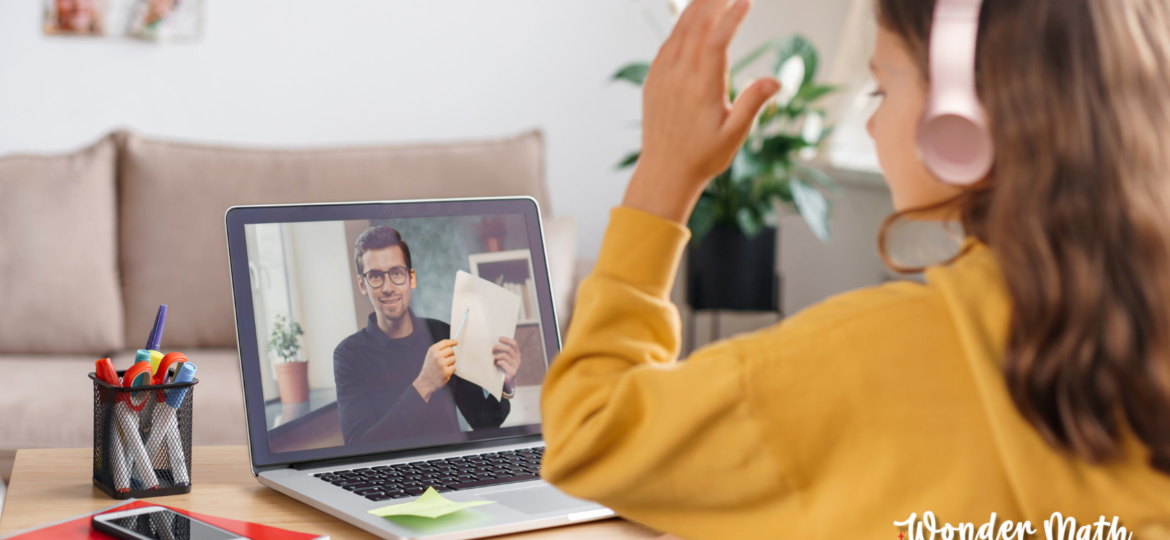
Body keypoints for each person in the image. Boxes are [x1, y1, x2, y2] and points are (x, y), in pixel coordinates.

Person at [540, 0, 1170, 537]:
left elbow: (590, 433)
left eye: (882, 89)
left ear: (961, 123)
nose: (870, 123)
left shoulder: (865, 361)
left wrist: (663, 176)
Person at [333, 226, 523, 445]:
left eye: (396, 273)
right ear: (362, 285)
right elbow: (358, 446)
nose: (388, 288)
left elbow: (484, 422)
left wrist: (506, 382)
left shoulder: (443, 334)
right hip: (394, 476)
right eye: (375, 276)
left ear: (411, 278)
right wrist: (423, 385)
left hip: (449, 470)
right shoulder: (348, 355)